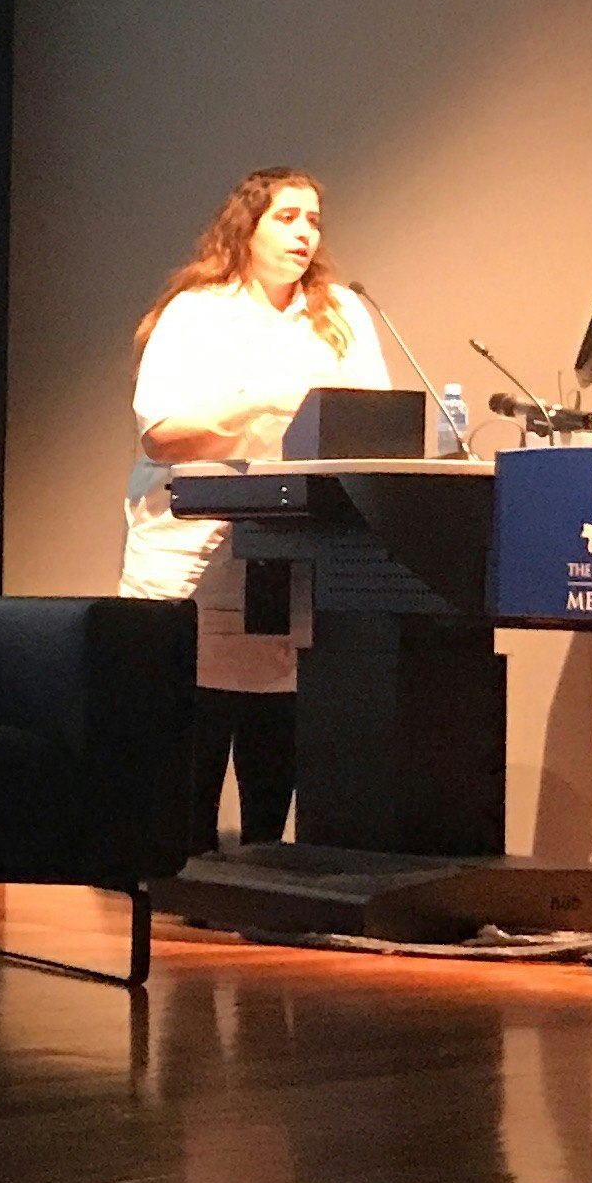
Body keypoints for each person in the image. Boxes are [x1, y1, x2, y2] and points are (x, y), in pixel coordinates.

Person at [120, 166, 391, 849]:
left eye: (315, 220)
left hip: (293, 547)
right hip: (193, 552)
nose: (305, 233)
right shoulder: (197, 311)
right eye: (288, 217)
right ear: (248, 225)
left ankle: (267, 872)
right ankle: (183, 868)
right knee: (197, 715)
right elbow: (162, 432)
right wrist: (259, 402)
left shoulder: (341, 314)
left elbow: (373, 425)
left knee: (277, 712)